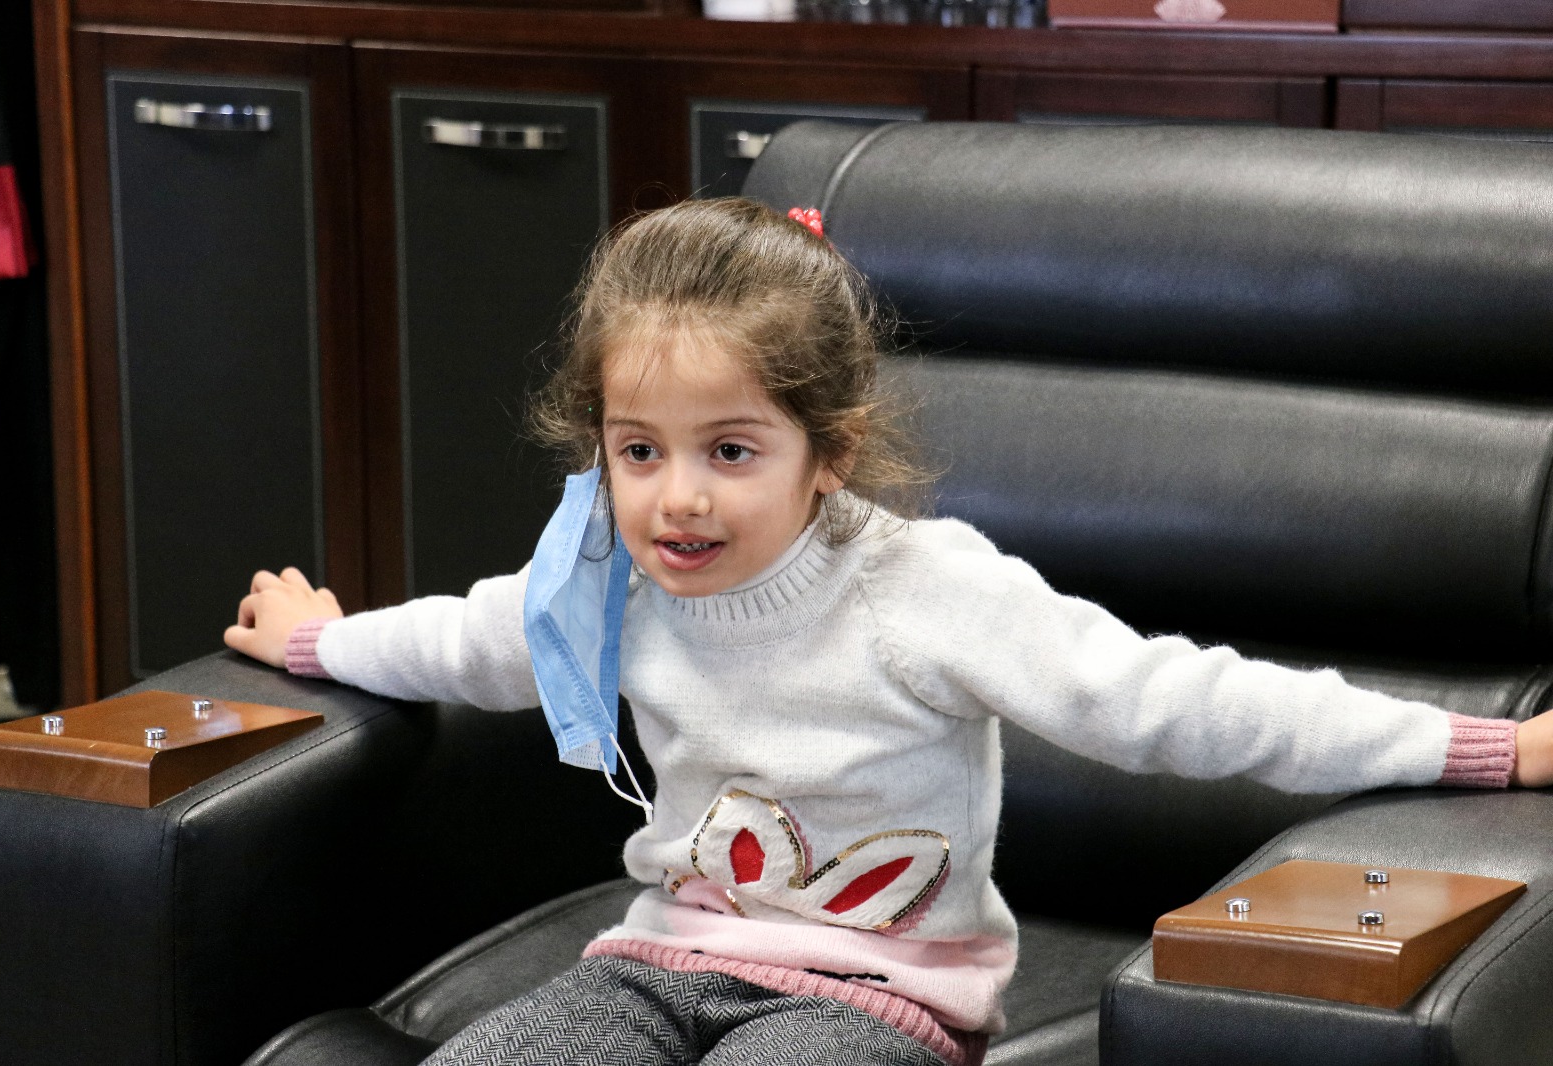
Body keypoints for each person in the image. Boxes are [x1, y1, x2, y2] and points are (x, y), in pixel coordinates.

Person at [224, 197, 1553, 1066]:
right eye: (639, 450)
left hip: (880, 994)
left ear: (829, 453)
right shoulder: (605, 576)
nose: (677, 496)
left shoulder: (923, 589)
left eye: (730, 450)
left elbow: (1175, 701)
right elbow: (467, 642)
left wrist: (1486, 748)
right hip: (659, 957)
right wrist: (320, 642)